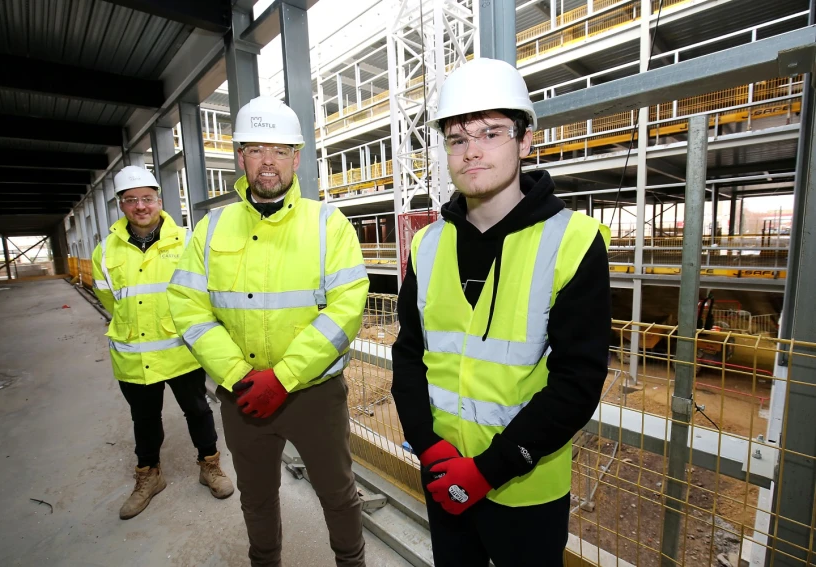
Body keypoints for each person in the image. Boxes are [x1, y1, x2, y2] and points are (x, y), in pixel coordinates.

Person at [391, 58, 611, 566]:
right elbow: (408, 357)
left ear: (525, 140)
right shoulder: (426, 245)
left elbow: (577, 381)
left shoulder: (573, 242)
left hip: (526, 487)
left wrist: (489, 469)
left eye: (490, 133)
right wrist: (428, 447)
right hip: (444, 474)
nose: (472, 152)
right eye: (457, 138)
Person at [166, 96, 369, 567]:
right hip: (241, 395)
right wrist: (237, 374)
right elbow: (188, 306)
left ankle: (352, 562)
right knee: (256, 496)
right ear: (241, 157)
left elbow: (345, 310)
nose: (268, 161)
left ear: (296, 157)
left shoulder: (327, 225)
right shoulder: (212, 229)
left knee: (338, 493)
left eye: (280, 150)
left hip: (313, 393)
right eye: (257, 150)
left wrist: (285, 376)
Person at [91, 165, 234, 520]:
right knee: (144, 419)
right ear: (121, 205)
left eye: (147, 198)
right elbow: (110, 300)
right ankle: (148, 476)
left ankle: (210, 466)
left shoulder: (186, 241)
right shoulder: (105, 251)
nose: (141, 206)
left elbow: (203, 292)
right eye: (131, 200)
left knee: (198, 410)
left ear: (160, 200)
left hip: (181, 350)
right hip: (134, 354)